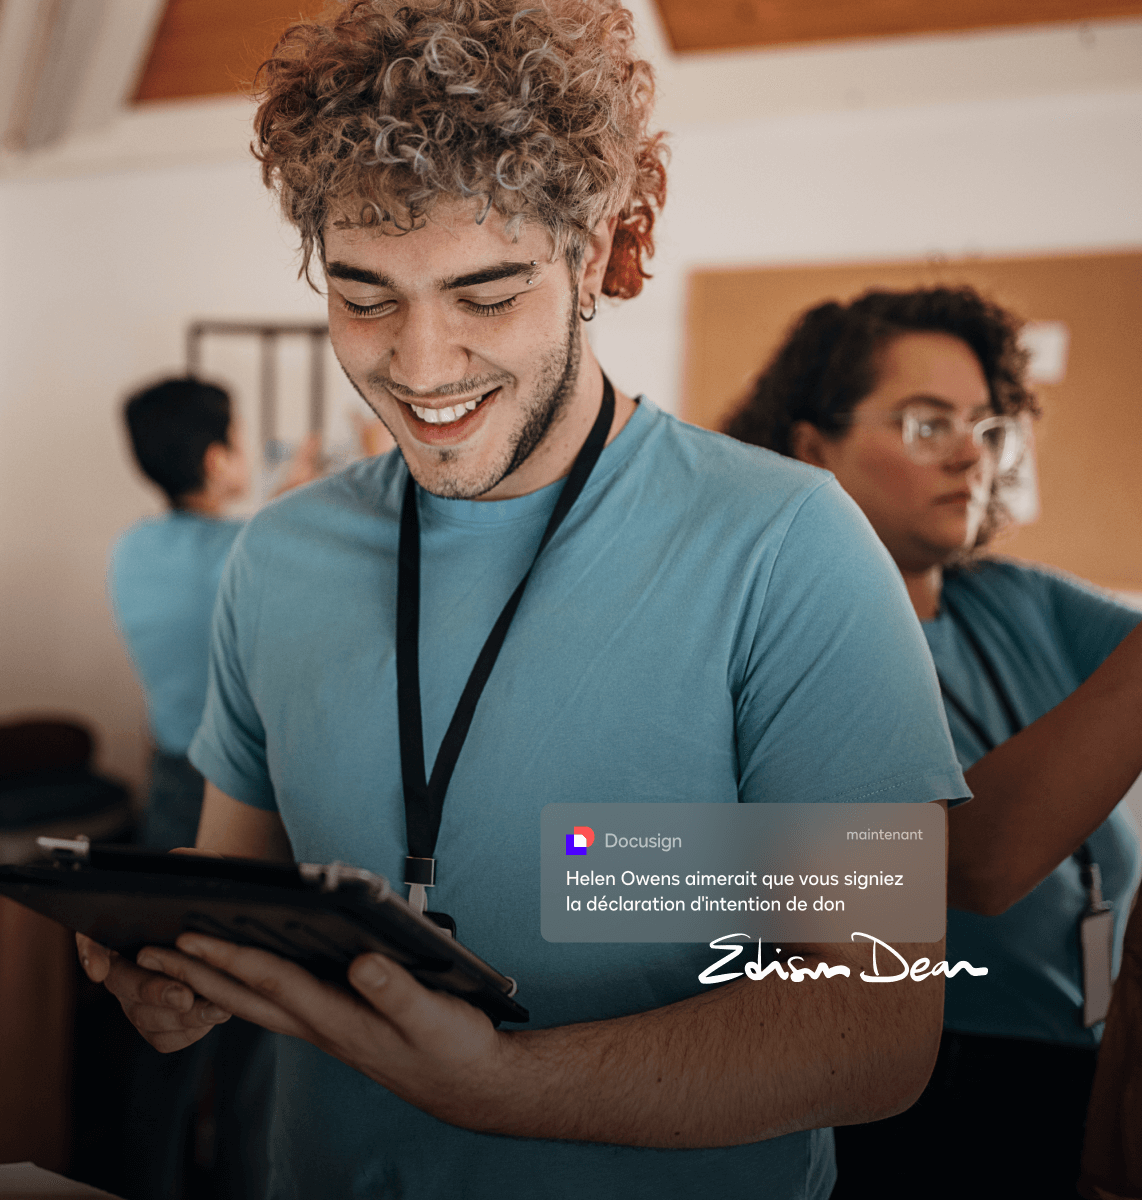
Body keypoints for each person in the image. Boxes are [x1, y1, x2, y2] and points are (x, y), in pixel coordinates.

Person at [81, 5, 971, 1198]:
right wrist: (182, 980)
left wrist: (505, 1086)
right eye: (364, 296)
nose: (421, 365)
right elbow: (238, 893)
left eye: (487, 294)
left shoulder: (788, 547)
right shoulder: (278, 556)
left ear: (601, 249)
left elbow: (876, 1027)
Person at [725, 285, 1142, 1199]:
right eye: (926, 424)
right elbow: (964, 865)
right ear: (809, 447)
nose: (970, 454)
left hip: (1081, 1066)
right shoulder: (771, 633)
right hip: (920, 1090)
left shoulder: (1021, 601)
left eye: (987, 428)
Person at [110, 376, 318, 1200]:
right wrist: (300, 491)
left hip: (164, 786)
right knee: (249, 1029)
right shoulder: (254, 550)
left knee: (161, 1015)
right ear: (213, 455)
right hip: (240, 793)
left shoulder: (131, 547)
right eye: (234, 436)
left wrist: (275, 499)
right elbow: (266, 551)